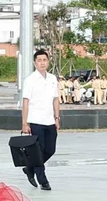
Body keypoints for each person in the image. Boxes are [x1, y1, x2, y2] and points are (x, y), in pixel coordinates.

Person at [21, 50, 60, 191]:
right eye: (39, 60)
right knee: (39, 150)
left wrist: (57, 117)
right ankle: (43, 181)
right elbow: (26, 102)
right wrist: (24, 123)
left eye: (45, 60)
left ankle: (30, 168)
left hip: (50, 120)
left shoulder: (52, 78)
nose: (42, 63)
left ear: (48, 62)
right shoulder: (30, 80)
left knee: (50, 150)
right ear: (34, 63)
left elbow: (55, 99)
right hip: (36, 120)